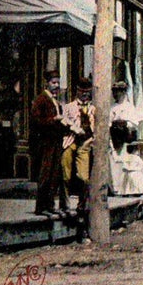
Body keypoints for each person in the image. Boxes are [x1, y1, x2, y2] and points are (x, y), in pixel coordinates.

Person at [31, 70, 70, 216]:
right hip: (45, 143)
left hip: (56, 142)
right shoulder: (41, 99)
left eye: (58, 83)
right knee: (45, 174)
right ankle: (41, 207)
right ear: (47, 84)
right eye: (53, 83)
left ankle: (50, 205)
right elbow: (36, 121)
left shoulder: (56, 101)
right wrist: (53, 120)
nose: (56, 86)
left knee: (54, 174)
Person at [61, 77, 95, 211]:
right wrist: (72, 127)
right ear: (77, 91)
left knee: (83, 177)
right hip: (70, 141)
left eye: (87, 92)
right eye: (82, 91)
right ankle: (65, 204)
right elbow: (62, 121)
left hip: (85, 144)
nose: (85, 94)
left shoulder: (93, 109)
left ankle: (82, 205)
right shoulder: (69, 107)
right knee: (66, 175)